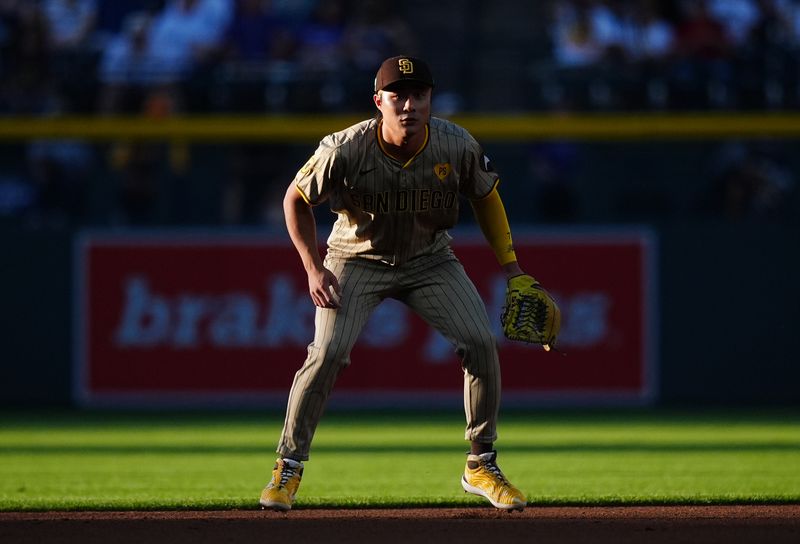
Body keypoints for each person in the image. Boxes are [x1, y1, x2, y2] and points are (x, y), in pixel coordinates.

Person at [261, 56, 540, 512]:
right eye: (398, 96)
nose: (409, 105)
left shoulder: (455, 144)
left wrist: (512, 267)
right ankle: (288, 466)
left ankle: (481, 463)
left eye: (420, 95)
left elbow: (487, 198)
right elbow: (295, 199)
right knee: (328, 353)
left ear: (431, 99)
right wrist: (313, 267)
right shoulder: (345, 148)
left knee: (478, 341)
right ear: (379, 101)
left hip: (429, 258)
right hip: (355, 259)